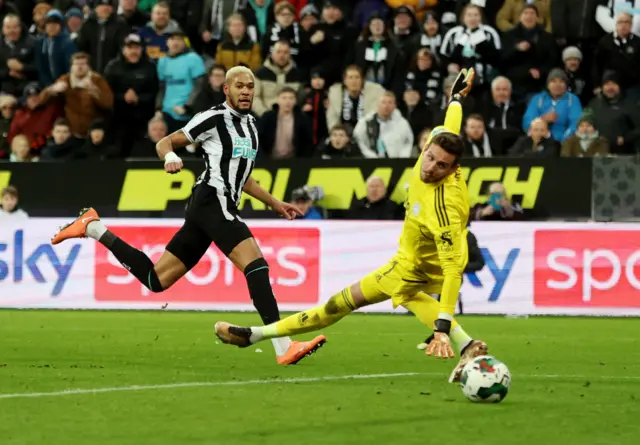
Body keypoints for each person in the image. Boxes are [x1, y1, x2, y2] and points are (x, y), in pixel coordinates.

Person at [214, 68, 490, 383]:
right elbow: (451, 122)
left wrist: (441, 327)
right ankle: (468, 344)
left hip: (423, 267)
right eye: (429, 157)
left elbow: (454, 269)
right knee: (383, 300)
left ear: (454, 168)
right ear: (426, 146)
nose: (430, 167)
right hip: (410, 261)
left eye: (441, 166)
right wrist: (455, 98)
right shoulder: (438, 144)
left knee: (339, 303)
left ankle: (255, 335)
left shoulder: (446, 206)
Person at [51, 66, 326, 367]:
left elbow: (243, 177)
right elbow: (164, 142)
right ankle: (282, 346)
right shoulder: (213, 117)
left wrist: (274, 203)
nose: (246, 91)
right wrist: (170, 156)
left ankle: (93, 227)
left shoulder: (251, 126)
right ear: (227, 89)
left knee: (157, 280)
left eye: (250, 86)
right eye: (240, 86)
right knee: (257, 266)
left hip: (214, 206)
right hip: (211, 199)